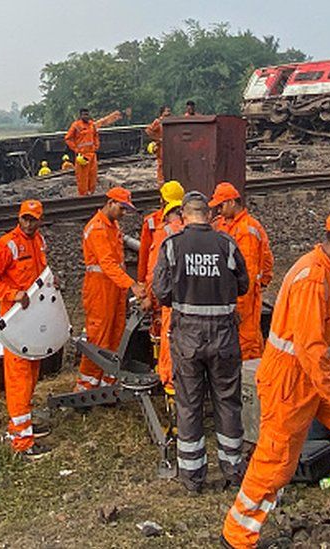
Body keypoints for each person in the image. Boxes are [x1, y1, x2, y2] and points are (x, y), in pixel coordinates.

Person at [222, 208, 330, 548]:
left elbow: (316, 354)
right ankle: (237, 536)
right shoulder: (313, 279)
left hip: (318, 375)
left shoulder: (326, 271)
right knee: (275, 463)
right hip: (292, 380)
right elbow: (310, 348)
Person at [153, 192, 249, 493]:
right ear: (209, 215)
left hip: (187, 336)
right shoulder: (227, 244)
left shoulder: (172, 246)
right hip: (223, 334)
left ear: (183, 215)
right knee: (227, 401)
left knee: (189, 404)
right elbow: (243, 285)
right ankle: (234, 471)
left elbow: (161, 290)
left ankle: (192, 477)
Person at [0, 200, 53, 459]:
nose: (29, 223)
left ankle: (23, 425)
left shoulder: (39, 241)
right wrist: (11, 294)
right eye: (25, 219)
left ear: (40, 220)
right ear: (19, 218)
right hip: (15, 320)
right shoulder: (7, 244)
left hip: (33, 317)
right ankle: (21, 440)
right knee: (20, 376)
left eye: (33, 219)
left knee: (31, 371)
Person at [75, 187, 147, 391]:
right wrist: (132, 285)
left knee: (115, 334)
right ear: (111, 203)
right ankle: (86, 386)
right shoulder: (98, 228)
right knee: (98, 337)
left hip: (113, 288)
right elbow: (107, 264)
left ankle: (108, 381)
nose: (123, 214)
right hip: (100, 289)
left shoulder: (111, 226)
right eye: (122, 209)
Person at [209, 182, 274, 368]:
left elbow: (247, 273)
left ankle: (247, 380)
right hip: (229, 296)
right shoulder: (222, 225)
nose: (219, 211)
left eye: (220, 206)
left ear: (231, 202)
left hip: (242, 300)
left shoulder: (247, 230)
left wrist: (238, 305)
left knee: (247, 340)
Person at [146, 201, 184, 389]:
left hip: (170, 301)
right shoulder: (200, 231)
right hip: (190, 300)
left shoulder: (164, 232)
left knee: (168, 343)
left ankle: (170, 387)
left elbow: (155, 272)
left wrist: (150, 298)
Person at [138, 180, 185, 285]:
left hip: (158, 279)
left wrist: (142, 281)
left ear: (163, 200)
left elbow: (145, 254)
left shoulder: (152, 221)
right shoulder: (188, 219)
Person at [64, 108, 100, 196]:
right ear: (80, 115)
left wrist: (96, 146)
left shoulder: (92, 125)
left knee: (93, 175)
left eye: (87, 114)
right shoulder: (76, 125)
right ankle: (83, 195)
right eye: (84, 115)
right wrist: (76, 149)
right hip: (82, 156)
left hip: (92, 155)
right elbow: (68, 138)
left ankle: (91, 193)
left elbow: (96, 136)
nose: (86, 116)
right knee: (82, 177)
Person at [145, 106, 172, 183]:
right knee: (161, 164)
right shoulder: (158, 122)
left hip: (169, 146)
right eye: (167, 111)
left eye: (169, 111)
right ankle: (161, 181)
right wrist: (158, 139)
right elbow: (148, 131)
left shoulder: (170, 121)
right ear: (162, 113)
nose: (169, 113)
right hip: (161, 147)